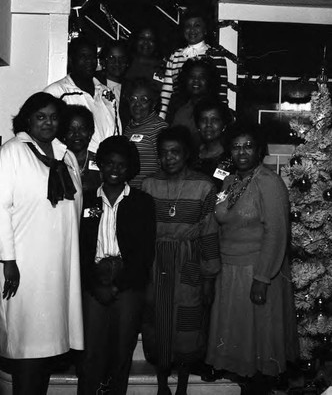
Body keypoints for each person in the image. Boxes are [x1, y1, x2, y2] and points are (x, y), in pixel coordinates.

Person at [206, 121, 298, 395]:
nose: (242, 152)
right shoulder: (230, 181)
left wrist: (262, 277)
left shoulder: (269, 182)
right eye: (236, 147)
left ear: (259, 150)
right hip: (230, 271)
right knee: (240, 346)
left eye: (248, 146)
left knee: (259, 350)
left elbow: (277, 232)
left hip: (257, 271)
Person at [0, 92, 83, 395]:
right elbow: (0, 208)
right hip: (25, 265)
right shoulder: (12, 152)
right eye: (40, 116)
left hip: (58, 266)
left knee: (48, 349)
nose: (48, 122)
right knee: (27, 347)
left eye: (53, 117)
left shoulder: (65, 155)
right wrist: (8, 261)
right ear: (27, 119)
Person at [142, 126, 220, 395]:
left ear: (186, 154)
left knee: (188, 323)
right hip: (156, 264)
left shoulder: (204, 186)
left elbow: (209, 234)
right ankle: (162, 385)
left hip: (189, 263)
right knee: (158, 322)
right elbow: (142, 232)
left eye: (175, 152)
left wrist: (209, 277)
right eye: (163, 153)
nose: (169, 158)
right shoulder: (149, 185)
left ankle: (183, 387)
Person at [77, 136, 156, 395]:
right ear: (100, 164)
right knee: (91, 355)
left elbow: (144, 253)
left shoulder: (142, 203)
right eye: (109, 163)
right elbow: (78, 249)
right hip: (93, 286)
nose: (114, 169)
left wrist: (117, 285)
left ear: (130, 168)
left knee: (122, 353)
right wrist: (96, 284)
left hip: (128, 285)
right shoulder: (86, 201)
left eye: (121, 165)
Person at [44, 37, 120, 153]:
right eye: (83, 56)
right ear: (71, 60)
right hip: (73, 165)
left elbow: (117, 131)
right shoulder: (56, 92)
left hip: (106, 166)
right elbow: (45, 134)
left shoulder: (106, 93)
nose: (89, 61)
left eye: (92, 56)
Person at [159, 10, 228, 119]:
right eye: (188, 26)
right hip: (179, 112)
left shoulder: (216, 55)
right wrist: (161, 118)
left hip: (205, 114)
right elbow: (166, 92)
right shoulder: (175, 55)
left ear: (205, 30)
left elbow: (221, 92)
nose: (192, 30)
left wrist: (222, 117)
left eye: (197, 25)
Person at [124, 78, 168, 189]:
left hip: (151, 195)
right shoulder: (128, 128)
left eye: (143, 99)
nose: (137, 104)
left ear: (153, 104)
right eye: (133, 99)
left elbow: (167, 167)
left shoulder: (160, 128)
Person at [170, 57, 221, 150]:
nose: (196, 80)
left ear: (210, 81)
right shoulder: (179, 109)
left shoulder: (217, 110)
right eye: (192, 77)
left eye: (202, 77)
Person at [192, 96, 234, 190]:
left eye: (214, 120)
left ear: (224, 125)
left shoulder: (231, 158)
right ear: (197, 125)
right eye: (203, 120)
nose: (208, 125)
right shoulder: (191, 155)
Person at [63, 104, 101, 195]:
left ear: (90, 132)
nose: (77, 134)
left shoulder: (101, 162)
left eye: (82, 129)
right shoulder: (57, 163)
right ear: (63, 134)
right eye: (70, 130)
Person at [125, 25, 166, 93]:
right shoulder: (124, 64)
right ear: (135, 40)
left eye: (151, 39)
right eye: (142, 38)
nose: (146, 42)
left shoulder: (163, 68)